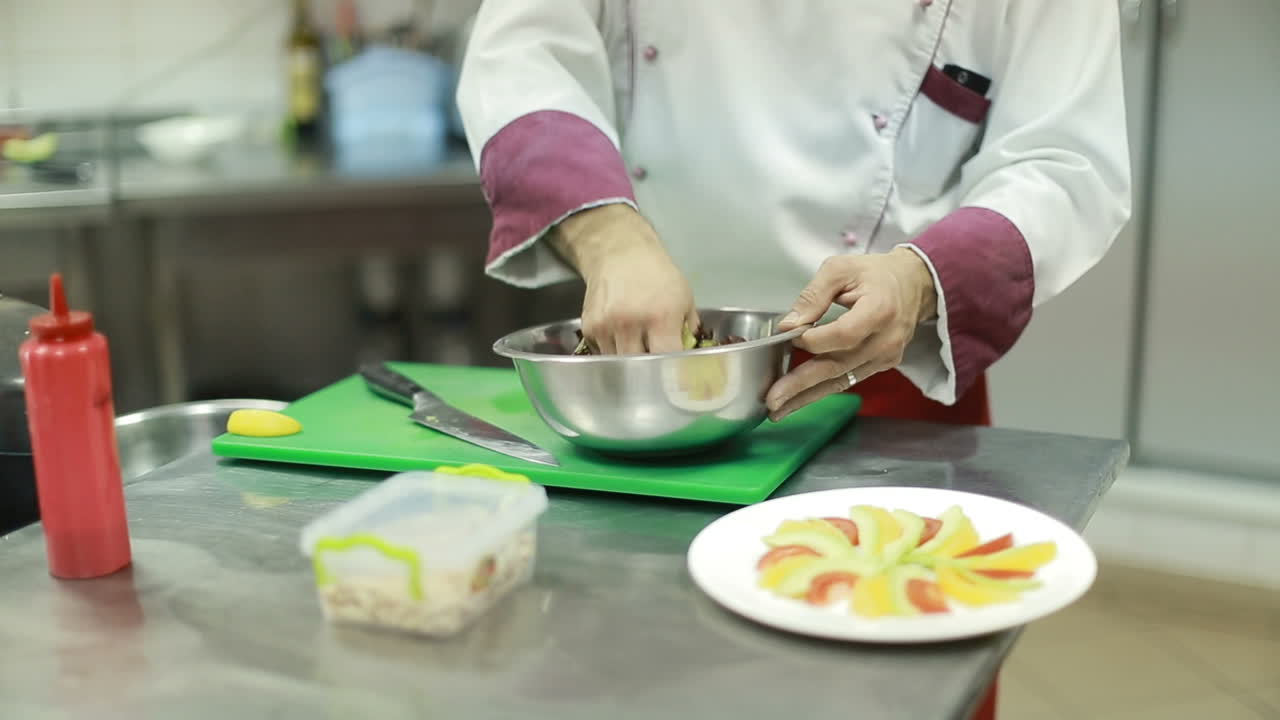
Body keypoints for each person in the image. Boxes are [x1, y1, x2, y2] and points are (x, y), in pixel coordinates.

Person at [455, 1, 1131, 430]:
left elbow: (1065, 159)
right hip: (644, 373)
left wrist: (919, 280)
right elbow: (518, 55)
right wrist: (609, 239)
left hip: (883, 389)